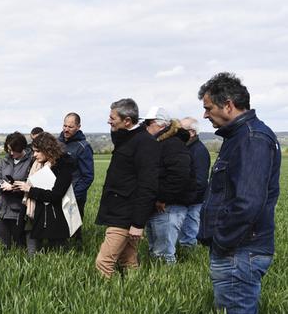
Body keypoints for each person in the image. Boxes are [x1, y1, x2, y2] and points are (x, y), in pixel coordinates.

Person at [197, 72, 280, 314]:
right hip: (238, 249)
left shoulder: (252, 139)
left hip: (240, 249)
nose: (205, 115)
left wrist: (223, 241)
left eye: (208, 108)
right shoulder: (240, 137)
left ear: (228, 104)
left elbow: (248, 202)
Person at [94, 98, 160, 277]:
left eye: (112, 118)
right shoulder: (127, 138)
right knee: (128, 260)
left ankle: (104, 302)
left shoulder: (145, 143)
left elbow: (148, 185)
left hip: (125, 214)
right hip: (118, 209)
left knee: (103, 262)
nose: (109, 121)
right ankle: (136, 298)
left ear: (127, 121)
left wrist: (138, 223)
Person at [142, 107, 195, 264]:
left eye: (147, 123)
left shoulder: (172, 144)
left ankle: (167, 284)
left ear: (160, 125)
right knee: (155, 252)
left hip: (168, 207)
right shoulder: (162, 143)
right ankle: (159, 284)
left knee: (163, 254)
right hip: (161, 205)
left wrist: (163, 198)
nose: (145, 127)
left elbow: (179, 175)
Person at [14, 132, 76, 254]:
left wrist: (30, 190)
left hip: (57, 218)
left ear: (48, 149)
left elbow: (56, 195)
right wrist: (22, 187)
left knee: (58, 255)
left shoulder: (63, 166)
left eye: (37, 151)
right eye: (33, 151)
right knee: (34, 254)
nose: (34, 155)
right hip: (37, 214)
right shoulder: (37, 165)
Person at [58, 112, 94, 243]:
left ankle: (77, 250)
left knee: (73, 229)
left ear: (78, 127)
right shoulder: (57, 143)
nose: (66, 129)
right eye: (64, 125)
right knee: (58, 227)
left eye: (70, 127)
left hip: (74, 195)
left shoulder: (83, 147)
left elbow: (88, 176)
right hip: (57, 192)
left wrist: (74, 195)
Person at [0, 132, 32, 249]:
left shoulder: (31, 162)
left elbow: (30, 184)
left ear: (21, 148)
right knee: (2, 245)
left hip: (18, 210)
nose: (10, 153)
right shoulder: (4, 161)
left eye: (13, 150)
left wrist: (13, 187)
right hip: (1, 209)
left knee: (19, 245)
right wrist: (0, 184)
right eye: (8, 149)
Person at [177, 117, 211, 248]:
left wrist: (186, 198)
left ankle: (188, 258)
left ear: (191, 132)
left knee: (188, 235)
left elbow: (200, 181)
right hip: (189, 199)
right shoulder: (189, 148)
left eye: (180, 130)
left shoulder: (199, 151)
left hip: (194, 202)